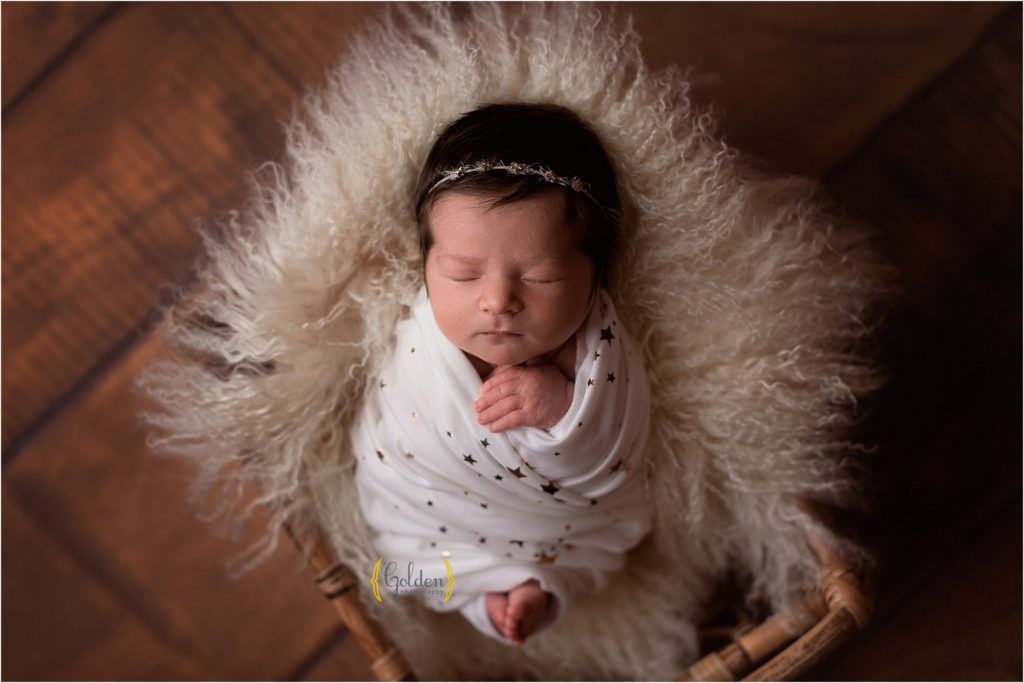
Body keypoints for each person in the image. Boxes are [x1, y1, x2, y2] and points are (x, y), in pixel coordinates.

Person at [351, 103, 652, 646]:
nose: (497, 301)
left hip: (550, 529)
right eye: (462, 274)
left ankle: (524, 586)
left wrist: (565, 407)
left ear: (595, 276)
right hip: (420, 506)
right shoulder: (424, 334)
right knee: (390, 576)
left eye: (539, 277)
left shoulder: (592, 348)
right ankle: (484, 589)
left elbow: (618, 447)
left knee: (579, 553)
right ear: (426, 265)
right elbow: (388, 423)